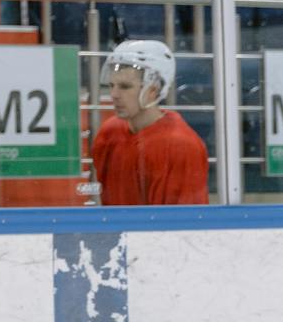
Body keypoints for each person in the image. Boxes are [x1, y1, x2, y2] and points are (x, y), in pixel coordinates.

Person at [89, 38, 209, 205]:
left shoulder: (181, 146)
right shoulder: (109, 133)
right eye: (112, 85)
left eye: (125, 87)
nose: (114, 94)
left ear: (152, 90)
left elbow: (181, 225)